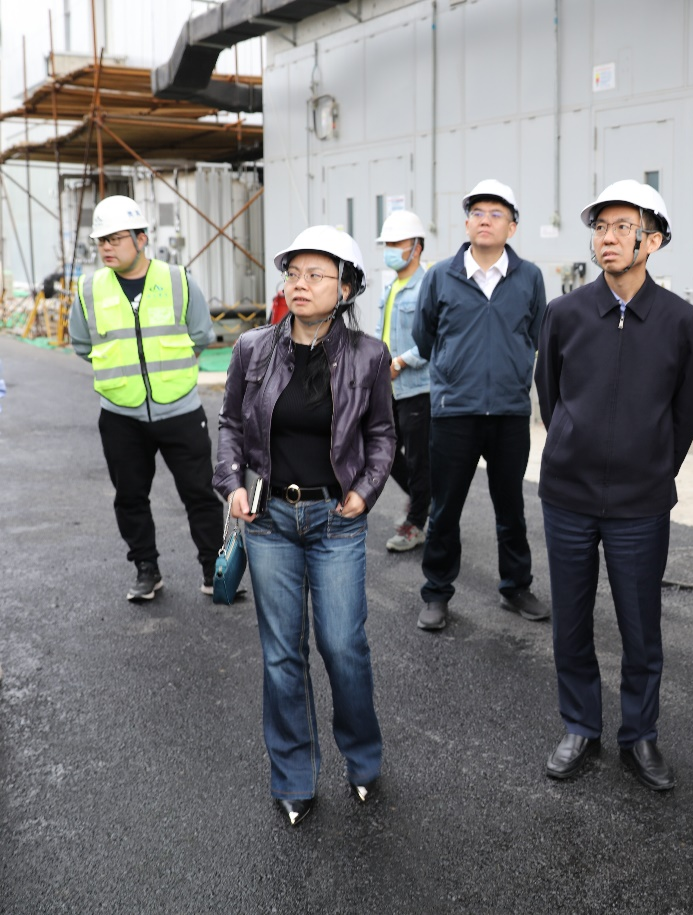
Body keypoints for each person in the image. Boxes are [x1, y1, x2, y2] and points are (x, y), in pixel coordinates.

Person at [214, 225, 395, 827]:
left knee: (343, 646)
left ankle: (362, 760)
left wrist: (365, 492)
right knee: (280, 654)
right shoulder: (253, 349)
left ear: (346, 287)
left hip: (336, 520)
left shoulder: (368, 355)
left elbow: (381, 435)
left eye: (316, 275)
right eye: (293, 273)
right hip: (269, 520)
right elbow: (231, 425)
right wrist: (233, 484)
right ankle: (293, 776)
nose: (300, 284)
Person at [535, 180, 693, 791]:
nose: (607, 238)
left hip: (641, 502)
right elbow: (549, 397)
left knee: (641, 626)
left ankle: (640, 736)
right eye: (600, 228)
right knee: (570, 622)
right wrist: (572, 444)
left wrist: (655, 466)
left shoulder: (681, 320)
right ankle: (580, 727)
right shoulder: (565, 313)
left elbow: (686, 410)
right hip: (568, 497)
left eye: (621, 228)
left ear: (651, 241)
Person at [68, 195, 223, 602]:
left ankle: (214, 569)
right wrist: (121, 376)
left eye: (115, 238)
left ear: (141, 239)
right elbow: (82, 344)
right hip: (120, 415)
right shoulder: (88, 289)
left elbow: (201, 335)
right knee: (130, 497)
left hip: (180, 409)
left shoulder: (177, 280)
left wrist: (168, 373)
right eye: (101, 240)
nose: (106, 247)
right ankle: (146, 569)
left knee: (199, 493)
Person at [410, 179, 548, 632]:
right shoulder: (439, 276)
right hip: (454, 411)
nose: (485, 220)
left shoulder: (529, 277)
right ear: (467, 223)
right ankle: (436, 592)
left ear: (512, 227)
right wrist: (454, 371)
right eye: (477, 213)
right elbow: (424, 337)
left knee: (511, 508)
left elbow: (536, 335)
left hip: (509, 412)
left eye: (496, 214)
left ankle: (515, 587)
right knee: (445, 509)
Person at [375, 209, 432, 552]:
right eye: (388, 244)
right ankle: (424, 500)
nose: (391, 250)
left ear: (417, 248)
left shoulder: (427, 287)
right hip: (391, 386)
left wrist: (400, 362)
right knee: (382, 448)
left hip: (418, 387)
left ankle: (417, 523)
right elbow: (382, 333)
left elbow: (433, 338)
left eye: (398, 243)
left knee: (418, 458)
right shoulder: (391, 287)